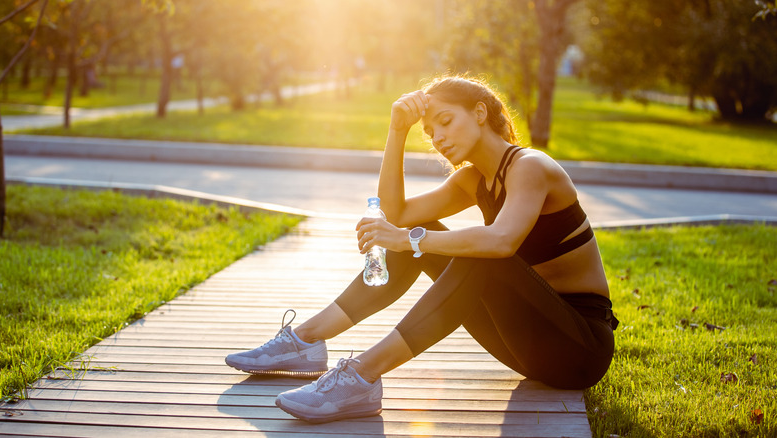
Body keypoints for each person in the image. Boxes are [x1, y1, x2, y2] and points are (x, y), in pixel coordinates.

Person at [225, 75, 618, 424]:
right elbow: (396, 214)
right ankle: (307, 340)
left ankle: (362, 374)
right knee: (424, 230)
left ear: (480, 112)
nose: (439, 138)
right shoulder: (473, 181)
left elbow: (501, 241)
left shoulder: (530, 166)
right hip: (528, 348)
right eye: (429, 133)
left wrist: (406, 238)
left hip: (580, 350)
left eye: (446, 121)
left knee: (479, 253)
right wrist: (396, 131)